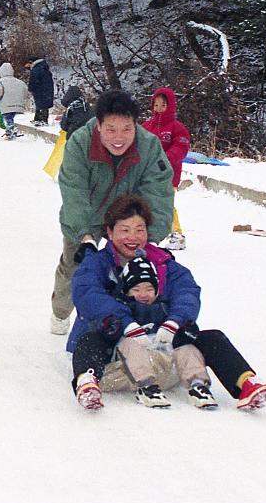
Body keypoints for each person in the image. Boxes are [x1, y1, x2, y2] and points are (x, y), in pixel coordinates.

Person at [68, 194, 266, 411]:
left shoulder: (162, 262)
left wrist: (175, 322)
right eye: (125, 230)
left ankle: (246, 384)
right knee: (89, 340)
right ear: (110, 233)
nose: (133, 237)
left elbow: (187, 292)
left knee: (212, 338)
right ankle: (87, 381)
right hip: (119, 355)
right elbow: (88, 295)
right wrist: (125, 323)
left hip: (162, 347)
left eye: (139, 230)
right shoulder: (97, 264)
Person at [51, 89, 175, 335]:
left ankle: (127, 322)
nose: (119, 138)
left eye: (127, 129)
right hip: (88, 212)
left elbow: (159, 195)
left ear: (135, 125)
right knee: (74, 265)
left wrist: (146, 239)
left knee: (135, 269)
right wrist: (84, 237)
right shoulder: (80, 143)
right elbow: (74, 192)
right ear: (98, 125)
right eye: (111, 130)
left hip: (126, 217)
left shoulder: (149, 147)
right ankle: (60, 311)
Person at [142, 87, 192, 249]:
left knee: (165, 204)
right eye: (156, 105)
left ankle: (177, 235)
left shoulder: (177, 128)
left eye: (162, 105)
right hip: (147, 175)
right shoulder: (147, 126)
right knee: (146, 203)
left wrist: (164, 160)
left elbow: (181, 147)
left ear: (170, 106)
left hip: (168, 175)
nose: (158, 109)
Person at [0, 62, 29, 139]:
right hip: (18, 104)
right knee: (10, 116)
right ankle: (11, 129)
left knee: (7, 117)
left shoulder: (0, 82)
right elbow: (25, 93)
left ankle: (10, 130)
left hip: (6, 104)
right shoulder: (20, 82)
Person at [26, 56, 54, 127]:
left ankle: (42, 120)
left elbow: (33, 81)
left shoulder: (36, 69)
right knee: (43, 104)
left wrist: (30, 88)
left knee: (41, 104)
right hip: (47, 89)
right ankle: (38, 119)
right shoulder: (44, 67)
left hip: (40, 90)